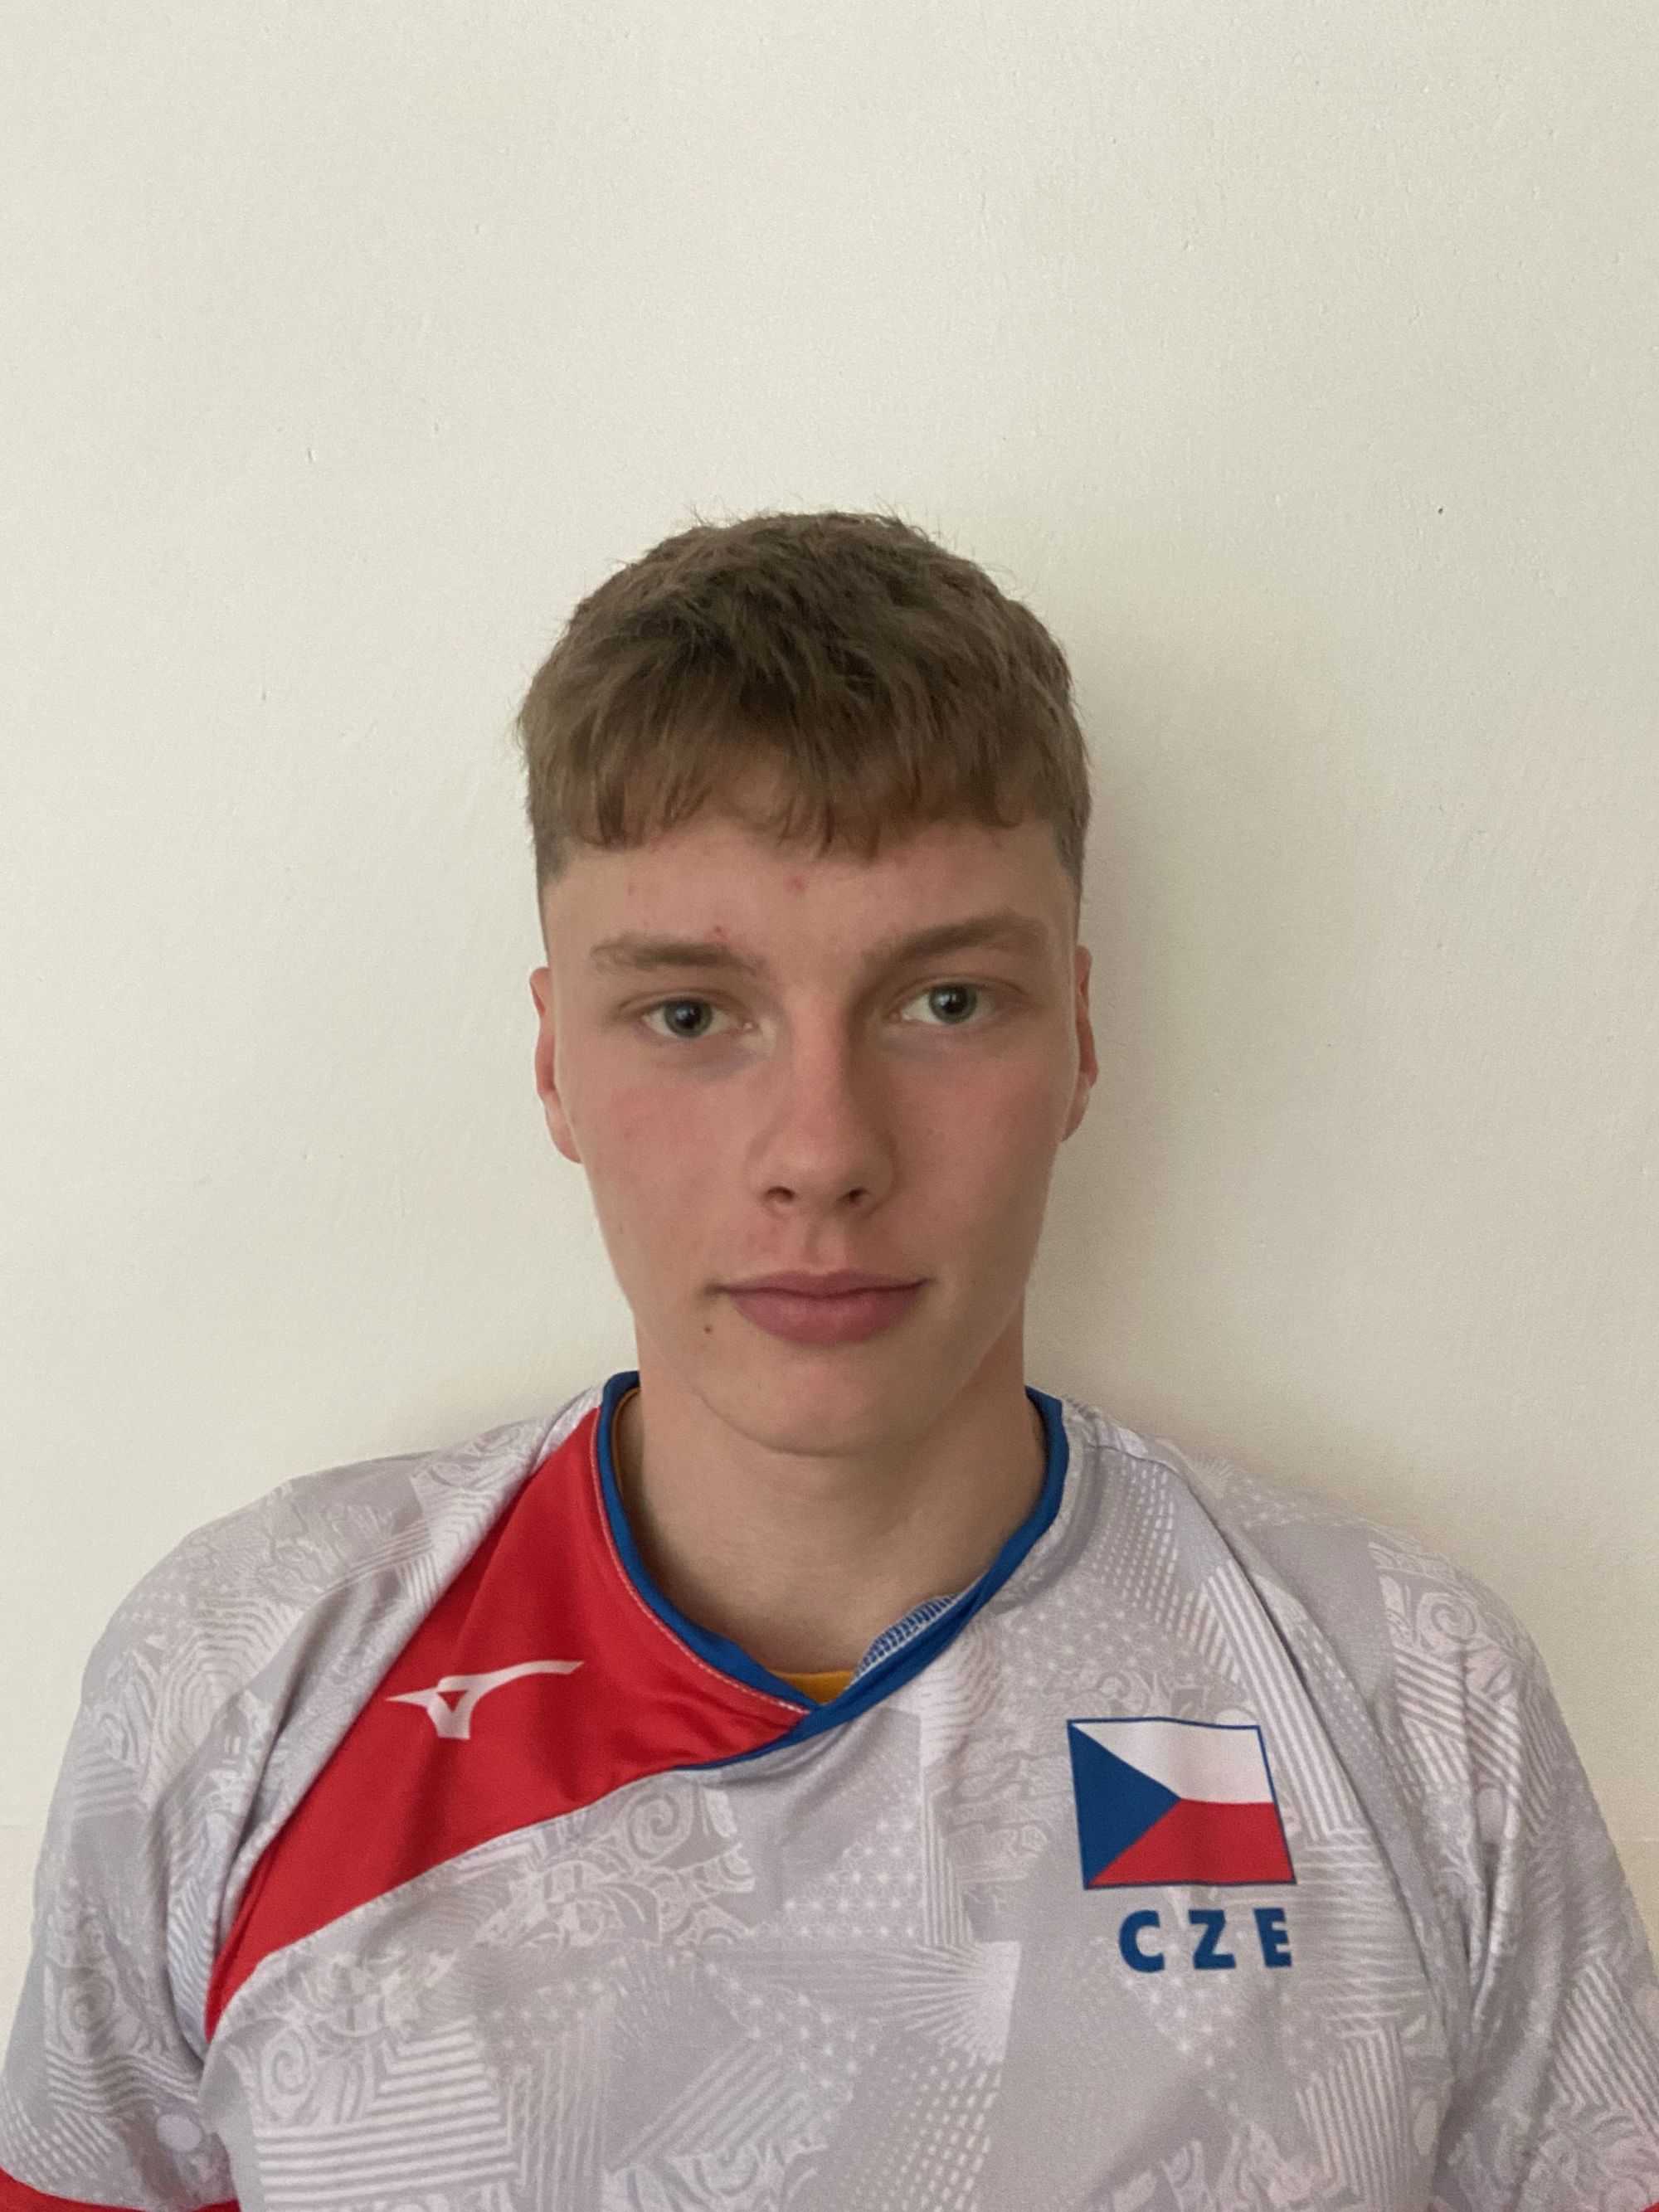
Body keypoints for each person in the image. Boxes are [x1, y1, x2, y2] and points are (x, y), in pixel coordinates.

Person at [2, 512, 1655, 2212]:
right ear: (555, 1064)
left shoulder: (1412, 1695)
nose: (823, 1153)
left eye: (946, 1002)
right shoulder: (241, 1678)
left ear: (1079, 1036)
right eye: (690, 1014)